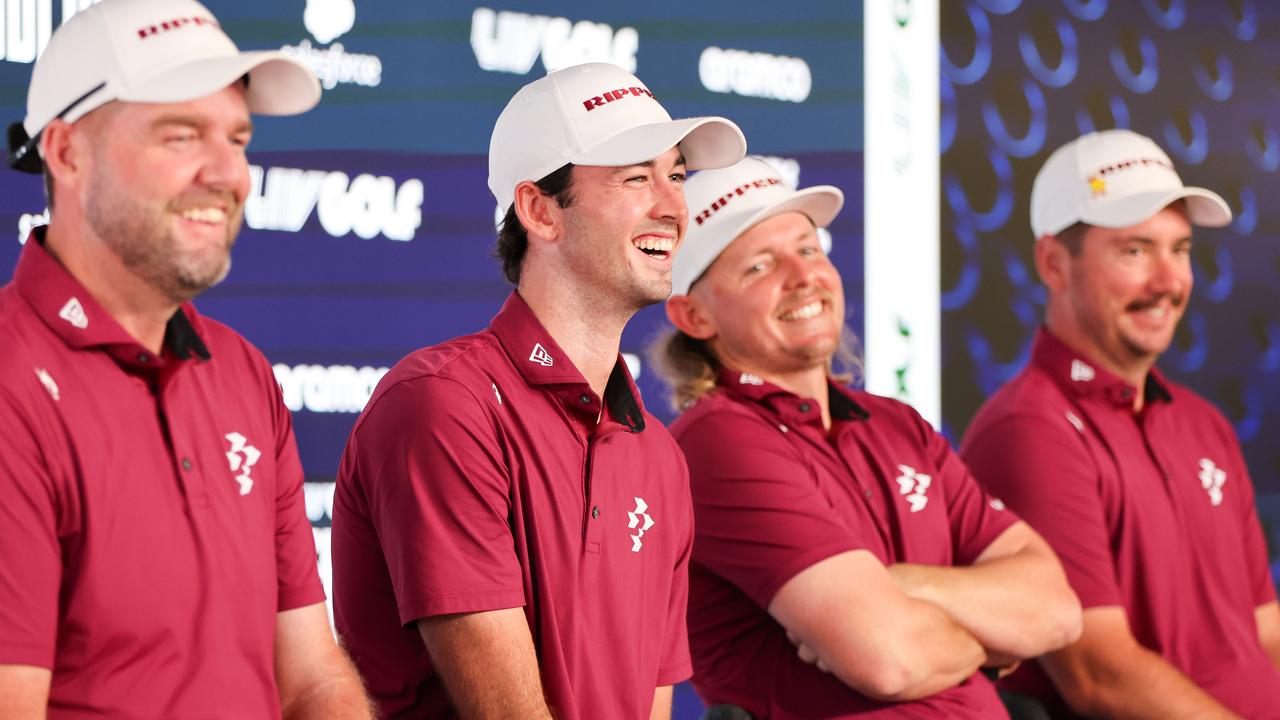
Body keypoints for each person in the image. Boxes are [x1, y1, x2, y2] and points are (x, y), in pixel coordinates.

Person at [330, 61, 746, 719]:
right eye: (636, 178)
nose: (673, 207)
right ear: (539, 211)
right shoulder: (444, 404)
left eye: (676, 176)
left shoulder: (659, 457)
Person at [0, 1, 372, 718]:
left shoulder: (243, 373)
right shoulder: (11, 382)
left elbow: (312, 679)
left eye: (238, 138)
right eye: (181, 135)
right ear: (67, 152)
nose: (230, 174)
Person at [651, 156, 1081, 719]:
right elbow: (891, 660)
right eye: (759, 267)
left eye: (809, 249)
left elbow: (1057, 610)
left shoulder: (897, 424)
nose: (803, 276)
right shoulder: (717, 441)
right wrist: (991, 645)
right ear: (694, 316)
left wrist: (903, 585)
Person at [960, 128, 1280, 718]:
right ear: (1053, 263)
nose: (1168, 282)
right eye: (1135, 251)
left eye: (1180, 249)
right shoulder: (1029, 431)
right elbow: (1100, 677)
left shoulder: (1202, 423)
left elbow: (1265, 634)